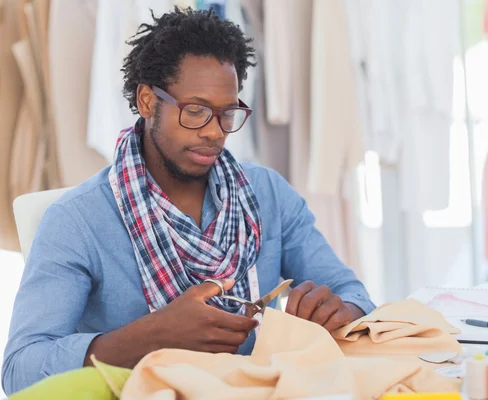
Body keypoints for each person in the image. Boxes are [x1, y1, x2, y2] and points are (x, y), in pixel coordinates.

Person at [1, 7, 375, 395]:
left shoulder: (267, 195)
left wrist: (339, 309)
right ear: (147, 102)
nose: (214, 132)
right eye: (195, 111)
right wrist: (151, 336)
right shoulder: (77, 221)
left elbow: (354, 293)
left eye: (227, 114)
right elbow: (20, 369)